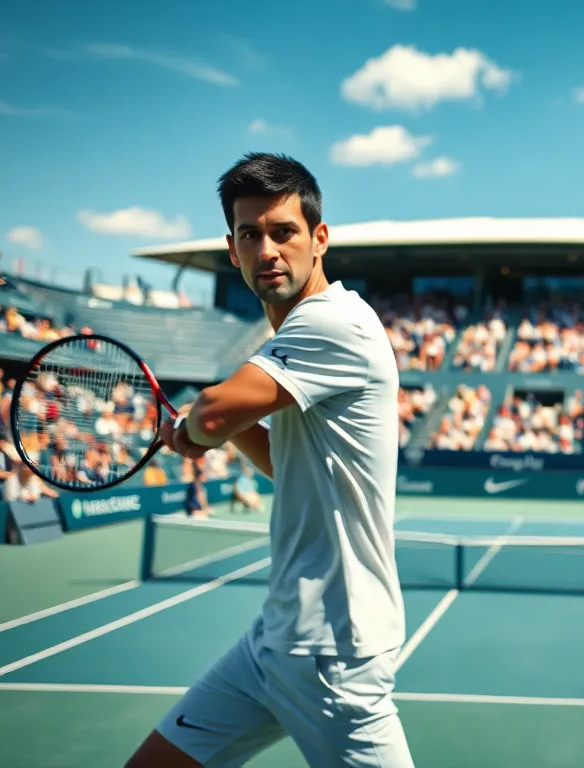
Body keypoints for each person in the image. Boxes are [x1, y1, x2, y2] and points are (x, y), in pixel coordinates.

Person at [125, 153, 411, 768]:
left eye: (283, 231)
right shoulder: (294, 341)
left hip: (336, 652)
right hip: (273, 642)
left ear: (319, 239)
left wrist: (195, 434)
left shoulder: (333, 324)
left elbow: (212, 412)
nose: (268, 249)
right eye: (250, 234)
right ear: (233, 250)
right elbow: (284, 461)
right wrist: (209, 431)